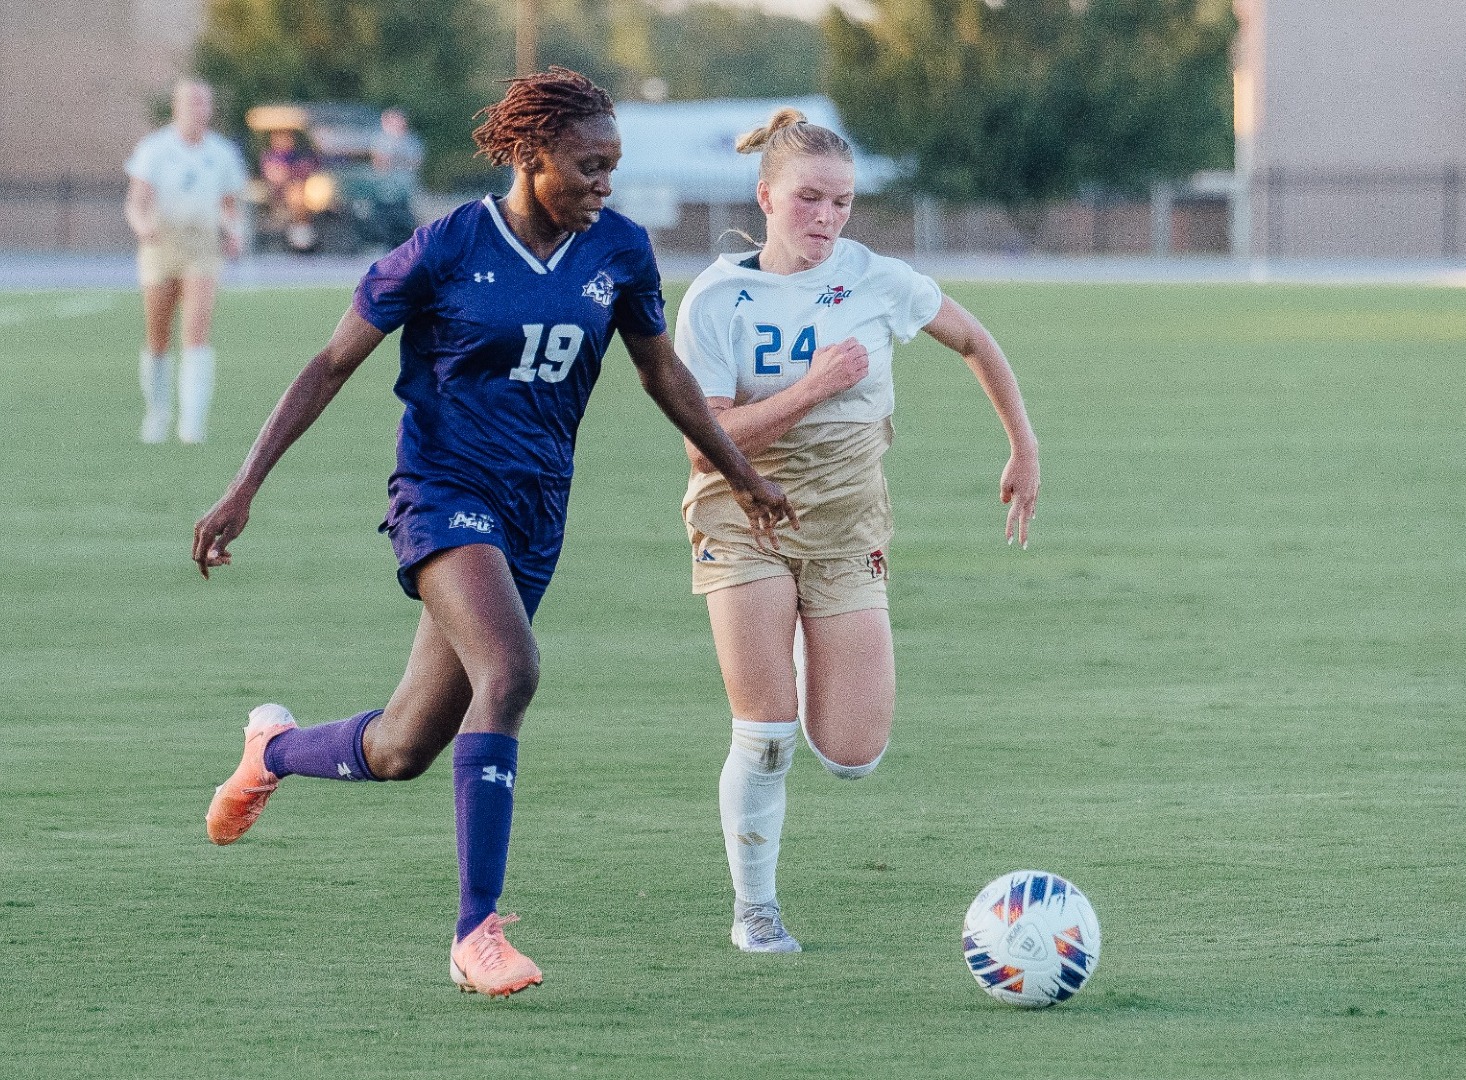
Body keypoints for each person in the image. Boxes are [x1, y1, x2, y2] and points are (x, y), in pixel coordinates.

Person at [191, 68, 796, 998]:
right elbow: (328, 365)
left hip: (535, 515)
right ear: (531, 155)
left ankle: (270, 751)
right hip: (441, 495)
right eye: (589, 166)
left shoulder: (621, 252)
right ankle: (476, 933)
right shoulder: (445, 248)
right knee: (510, 673)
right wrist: (242, 488)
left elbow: (661, 372)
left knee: (401, 749)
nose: (606, 184)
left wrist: (742, 471)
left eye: (614, 167)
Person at [673, 109, 1040, 953]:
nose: (827, 219)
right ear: (766, 197)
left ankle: (809, 642)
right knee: (766, 736)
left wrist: (1023, 443)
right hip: (743, 516)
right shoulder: (717, 300)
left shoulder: (880, 280)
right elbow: (704, 446)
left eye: (842, 202)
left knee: (851, 752)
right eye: (809, 199)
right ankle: (755, 909)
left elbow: (975, 340)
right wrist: (812, 387)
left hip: (845, 527)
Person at [124, 78, 248, 444]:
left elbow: (229, 205)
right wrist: (142, 225)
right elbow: (136, 202)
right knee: (158, 334)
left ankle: (192, 424)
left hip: (202, 248)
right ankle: (157, 414)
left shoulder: (221, 153)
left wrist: (234, 231)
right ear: (177, 107)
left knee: (196, 330)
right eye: (192, 103)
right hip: (161, 246)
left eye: (204, 103)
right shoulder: (155, 150)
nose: (199, 110)